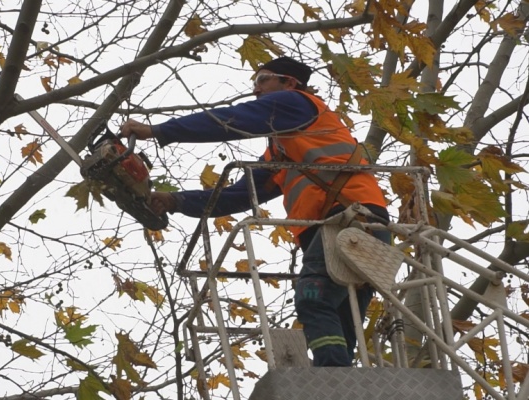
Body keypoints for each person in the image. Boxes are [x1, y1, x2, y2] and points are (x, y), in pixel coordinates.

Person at [120, 56, 390, 367]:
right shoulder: (286, 148)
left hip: (351, 221)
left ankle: (332, 381)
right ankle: (340, 378)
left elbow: (233, 119)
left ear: (288, 82)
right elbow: (239, 194)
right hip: (350, 228)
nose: (256, 90)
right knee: (342, 318)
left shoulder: (296, 102)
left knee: (312, 300)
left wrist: (157, 130)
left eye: (263, 80)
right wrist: (175, 201)